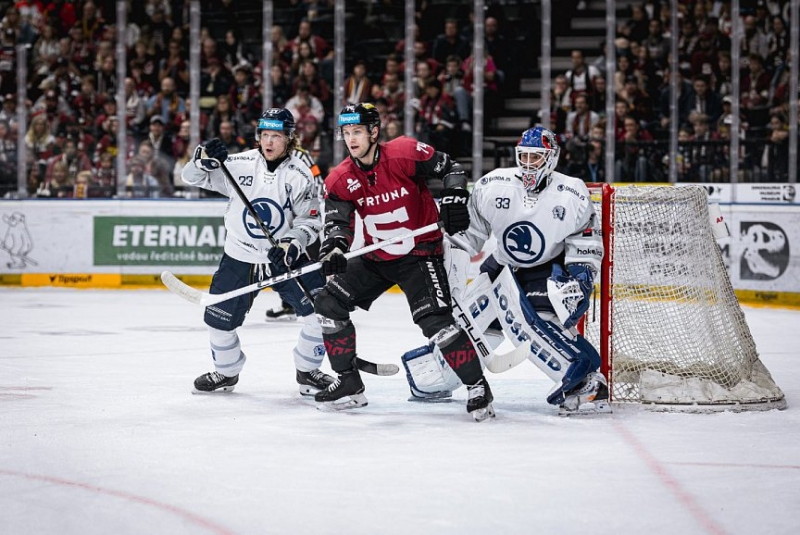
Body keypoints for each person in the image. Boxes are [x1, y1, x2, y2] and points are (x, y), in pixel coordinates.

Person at [404, 126, 610, 415]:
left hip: (547, 271)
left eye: (535, 158)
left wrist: (581, 278)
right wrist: (445, 260)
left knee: (528, 323)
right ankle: (439, 376)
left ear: (551, 159)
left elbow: (584, 241)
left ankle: (587, 382)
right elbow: (466, 238)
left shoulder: (571, 192)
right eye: (523, 156)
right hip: (501, 265)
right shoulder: (493, 185)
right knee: (470, 324)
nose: (528, 163)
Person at [312, 102, 495, 421]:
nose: (351, 139)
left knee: (435, 322)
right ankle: (350, 383)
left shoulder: (405, 152)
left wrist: (453, 197)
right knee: (328, 303)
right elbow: (338, 222)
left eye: (357, 131)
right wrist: (334, 247)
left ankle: (477, 386)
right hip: (376, 257)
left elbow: (451, 169)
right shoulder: (341, 178)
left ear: (373, 132)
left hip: (420, 255)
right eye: (346, 133)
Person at [181, 108, 335, 397]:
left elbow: (310, 220)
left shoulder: (301, 175)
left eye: (276, 136)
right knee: (217, 319)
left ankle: (308, 370)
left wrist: (291, 244)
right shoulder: (237, 164)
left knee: (323, 311)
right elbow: (189, 178)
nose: (269, 142)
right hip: (239, 256)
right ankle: (226, 372)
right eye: (264, 135)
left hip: (283, 258)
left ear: (289, 139)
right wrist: (200, 160)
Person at [264, 144, 323, 323]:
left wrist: (311, 209)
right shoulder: (263, 156)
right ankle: (289, 304)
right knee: (282, 256)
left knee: (313, 255)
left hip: (304, 212)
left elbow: (317, 181)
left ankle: (325, 301)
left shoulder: (301, 155)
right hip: (280, 215)